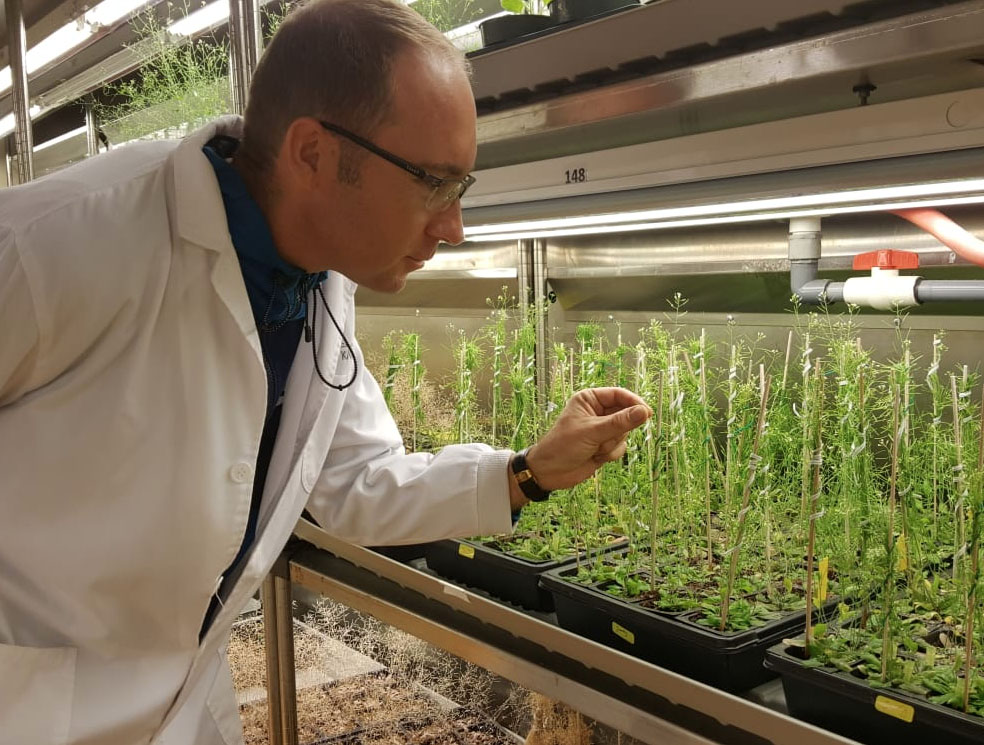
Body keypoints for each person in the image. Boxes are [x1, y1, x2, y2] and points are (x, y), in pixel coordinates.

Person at [0, 1, 652, 743]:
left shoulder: (316, 280)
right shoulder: (54, 242)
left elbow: (353, 483)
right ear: (312, 153)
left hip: (181, 709)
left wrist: (528, 471)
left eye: (460, 189)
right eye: (432, 182)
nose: (453, 227)